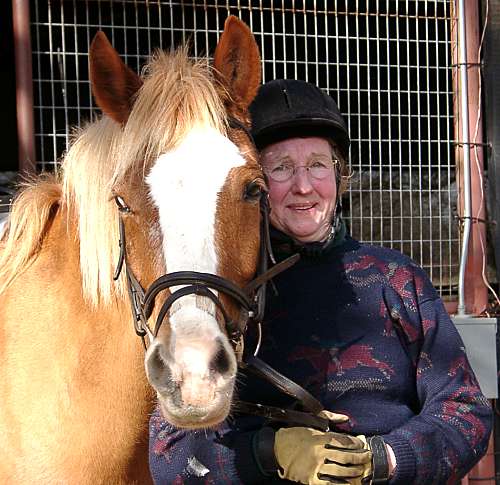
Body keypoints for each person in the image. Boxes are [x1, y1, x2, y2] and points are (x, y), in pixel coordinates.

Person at [148, 79, 492, 484]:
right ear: (256, 185)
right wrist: (269, 451)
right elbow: (169, 454)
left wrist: (384, 458)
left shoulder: (395, 278)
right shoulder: (225, 295)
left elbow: (465, 410)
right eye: (281, 168)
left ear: (339, 174)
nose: (303, 186)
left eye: (317, 165)